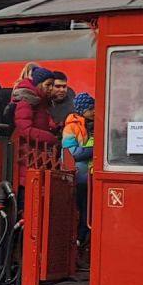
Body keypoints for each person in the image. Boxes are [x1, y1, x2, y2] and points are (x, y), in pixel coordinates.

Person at [63, 93, 95, 242]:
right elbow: (71, 153)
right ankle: (80, 239)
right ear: (82, 110)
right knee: (82, 210)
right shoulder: (71, 128)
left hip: (89, 175)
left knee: (87, 210)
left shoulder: (94, 126)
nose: (94, 111)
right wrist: (95, 150)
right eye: (91, 108)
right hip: (79, 176)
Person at [11, 66, 61, 146]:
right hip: (27, 152)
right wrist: (51, 138)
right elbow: (25, 130)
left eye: (52, 85)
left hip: (38, 149)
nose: (51, 88)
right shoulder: (25, 101)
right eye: (48, 85)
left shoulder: (43, 101)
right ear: (38, 84)